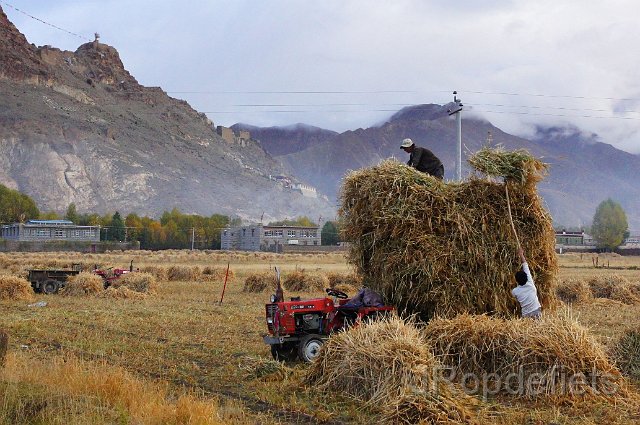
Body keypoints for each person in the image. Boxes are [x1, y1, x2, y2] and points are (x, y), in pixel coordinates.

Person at [511, 248, 542, 319]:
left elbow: (514, 299)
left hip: (525, 315)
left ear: (516, 281)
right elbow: (525, 265)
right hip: (536, 311)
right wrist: (521, 254)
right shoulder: (530, 283)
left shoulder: (515, 291)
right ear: (527, 278)